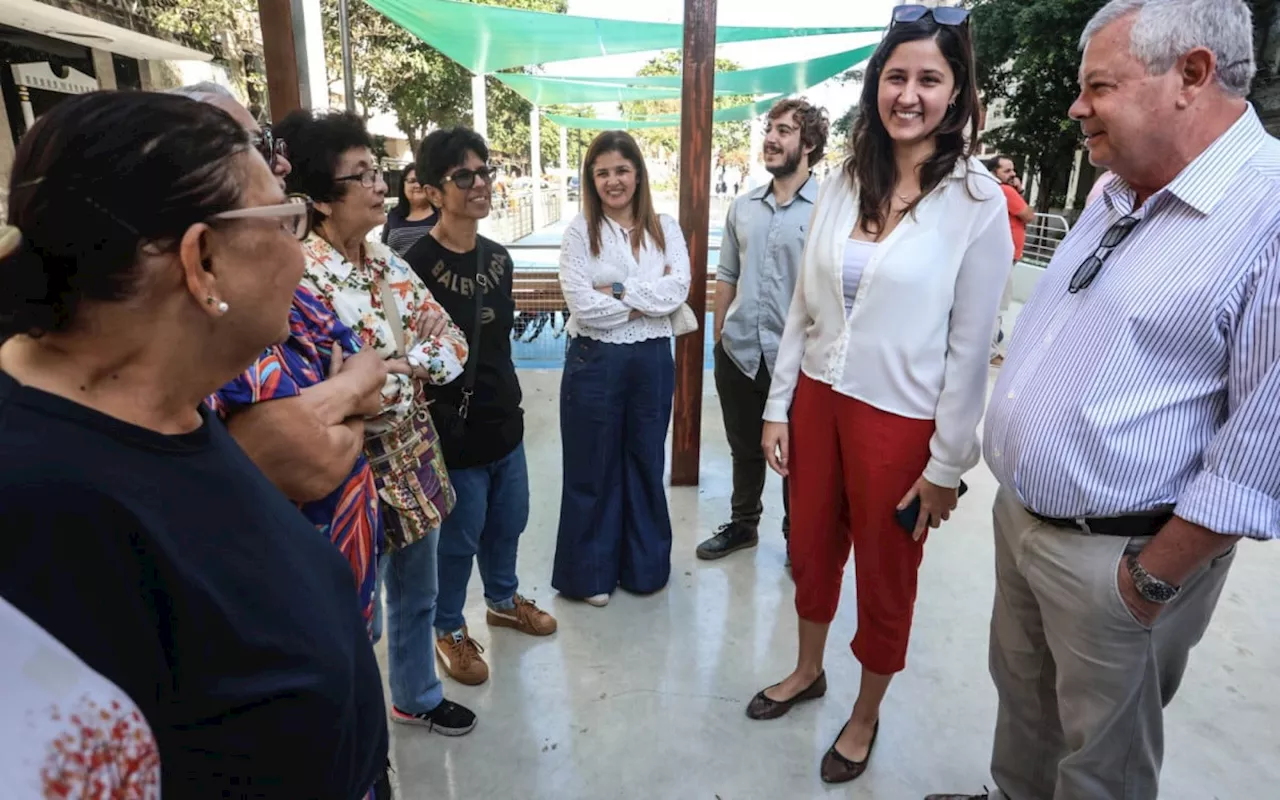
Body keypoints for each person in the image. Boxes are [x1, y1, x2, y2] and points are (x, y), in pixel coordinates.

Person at [929, 1, 1279, 799]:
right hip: (1026, 523)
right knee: (1024, 711)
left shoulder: (1267, 215)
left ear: (1191, 74)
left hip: (1121, 558)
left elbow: (1263, 445)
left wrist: (1147, 583)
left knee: (1101, 763)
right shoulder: (1117, 191)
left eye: (1099, 86)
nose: (1076, 107)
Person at [0, 91, 389, 798]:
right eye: (285, 220)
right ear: (202, 261)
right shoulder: (39, 515)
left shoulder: (168, 409)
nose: (304, 259)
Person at [749, 4, 1013, 785]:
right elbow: (804, 305)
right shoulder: (841, 183)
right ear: (875, 85)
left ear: (957, 91)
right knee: (810, 547)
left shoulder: (977, 203)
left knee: (887, 572)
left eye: (930, 78)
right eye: (896, 75)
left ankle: (864, 714)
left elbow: (971, 351)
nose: (909, 93)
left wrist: (946, 463)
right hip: (818, 404)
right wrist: (778, 405)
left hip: (900, 422)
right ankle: (807, 670)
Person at [275, 109, 478, 735]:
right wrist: (388, 377)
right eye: (360, 174)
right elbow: (320, 388)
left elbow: (451, 342)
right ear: (321, 199)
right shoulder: (299, 274)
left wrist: (390, 367)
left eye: (373, 169)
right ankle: (351, 723)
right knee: (353, 609)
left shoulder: (386, 258)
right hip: (346, 464)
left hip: (413, 452)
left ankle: (415, 696)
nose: (378, 183)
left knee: (419, 592)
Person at [166, 84, 390, 639]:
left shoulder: (284, 290)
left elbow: (375, 372)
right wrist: (349, 393)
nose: (280, 159)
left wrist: (339, 396)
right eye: (255, 144)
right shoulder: (210, 316)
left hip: (341, 585)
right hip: (285, 615)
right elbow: (308, 459)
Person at [405, 127, 558, 686]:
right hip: (455, 428)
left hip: (504, 418)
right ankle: (448, 626)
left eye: (484, 171)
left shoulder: (498, 258)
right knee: (460, 535)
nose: (479, 184)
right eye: (462, 176)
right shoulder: (414, 264)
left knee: (509, 521)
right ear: (433, 191)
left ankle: (501, 599)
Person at [551, 130, 692, 607]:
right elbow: (581, 305)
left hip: (651, 359)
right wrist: (643, 300)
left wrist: (617, 293)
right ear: (592, 179)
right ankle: (590, 573)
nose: (613, 181)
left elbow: (680, 289)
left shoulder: (664, 227)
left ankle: (644, 566)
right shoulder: (579, 231)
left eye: (621, 170)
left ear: (638, 174)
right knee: (594, 463)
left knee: (645, 460)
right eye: (603, 172)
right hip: (595, 359)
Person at [696, 98, 829, 562]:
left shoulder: (829, 210)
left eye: (785, 130)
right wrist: (720, 338)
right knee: (744, 449)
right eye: (769, 129)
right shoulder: (743, 207)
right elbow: (726, 276)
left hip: (798, 361)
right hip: (740, 355)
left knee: (800, 458)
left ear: (808, 143)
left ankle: (797, 540)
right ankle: (743, 525)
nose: (771, 138)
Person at [981, 154, 1035, 366]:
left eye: (1013, 170)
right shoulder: (1006, 191)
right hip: (1003, 256)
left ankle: (993, 345)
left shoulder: (998, 189)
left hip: (1002, 255)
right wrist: (1019, 191)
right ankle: (991, 352)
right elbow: (1028, 215)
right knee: (997, 304)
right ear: (995, 173)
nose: (1013, 174)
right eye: (1007, 171)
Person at [382, 163, 438, 257]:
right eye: (412, 181)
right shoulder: (393, 215)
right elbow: (383, 250)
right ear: (403, 186)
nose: (418, 185)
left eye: (422, 180)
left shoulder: (442, 214)